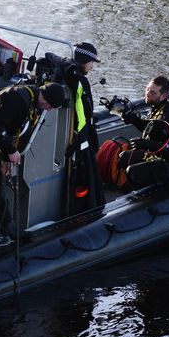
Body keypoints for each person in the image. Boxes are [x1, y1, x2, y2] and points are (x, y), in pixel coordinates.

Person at [0, 82, 66, 255]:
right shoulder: (18, 97)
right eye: (52, 106)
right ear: (46, 99)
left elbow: (11, 131)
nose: (51, 110)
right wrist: (10, 150)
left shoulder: (33, 103)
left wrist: (5, 158)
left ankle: (8, 229)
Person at [38, 42, 106, 215]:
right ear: (85, 61)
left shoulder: (64, 72)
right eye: (91, 63)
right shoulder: (79, 80)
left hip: (71, 135)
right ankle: (83, 211)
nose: (92, 67)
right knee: (86, 177)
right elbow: (85, 113)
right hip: (79, 139)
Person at [117, 76, 169, 189]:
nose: (147, 94)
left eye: (153, 92)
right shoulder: (156, 107)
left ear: (163, 96)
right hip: (154, 155)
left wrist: (146, 144)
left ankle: (152, 192)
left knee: (133, 172)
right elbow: (151, 128)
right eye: (147, 89)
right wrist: (134, 120)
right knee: (123, 157)